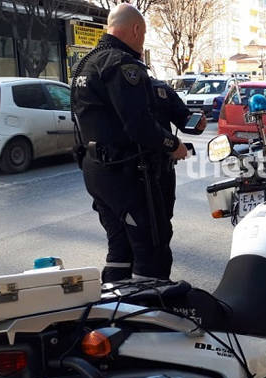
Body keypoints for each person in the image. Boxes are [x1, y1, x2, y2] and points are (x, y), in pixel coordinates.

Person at [71, 3, 189, 283]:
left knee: (120, 248)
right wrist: (174, 145)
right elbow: (139, 125)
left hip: (96, 172)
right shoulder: (122, 65)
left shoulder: (86, 64)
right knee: (152, 250)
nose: (143, 40)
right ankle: (148, 307)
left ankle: (113, 302)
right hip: (126, 173)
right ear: (136, 30)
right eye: (143, 34)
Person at [148, 77, 207, 277]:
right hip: (139, 172)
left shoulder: (159, 88)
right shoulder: (120, 83)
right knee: (151, 235)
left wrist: (197, 124)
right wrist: (173, 145)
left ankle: (155, 284)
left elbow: (185, 120)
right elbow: (139, 126)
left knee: (160, 230)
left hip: (159, 170)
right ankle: (152, 287)